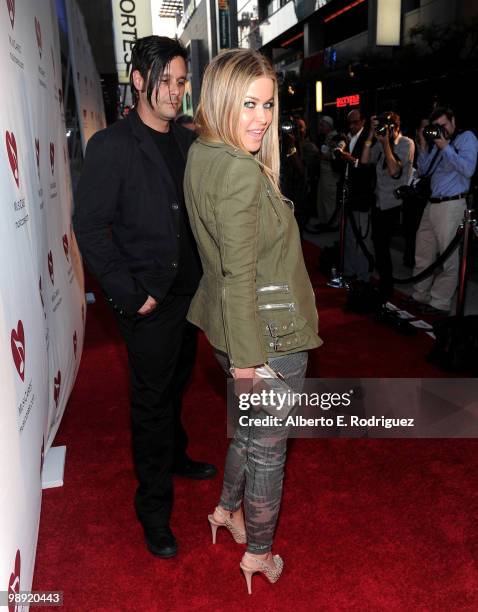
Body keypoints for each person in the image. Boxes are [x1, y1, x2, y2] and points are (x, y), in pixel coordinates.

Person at [183, 48, 322, 593]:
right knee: (268, 449)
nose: (262, 118)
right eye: (248, 103)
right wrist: (251, 363)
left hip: (227, 328)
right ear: (220, 99)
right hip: (265, 336)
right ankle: (258, 555)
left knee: (246, 432)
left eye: (267, 104)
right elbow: (240, 275)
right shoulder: (240, 170)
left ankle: (225, 512)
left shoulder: (202, 153)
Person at [73, 36, 216, 560]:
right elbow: (89, 228)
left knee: (177, 386)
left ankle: (176, 456)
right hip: (149, 305)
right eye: (166, 80)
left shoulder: (188, 142)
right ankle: (153, 510)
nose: (176, 90)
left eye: (182, 81)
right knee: (151, 406)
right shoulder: (110, 147)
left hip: (190, 297)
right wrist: (131, 296)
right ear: (138, 79)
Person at [410, 107, 478, 315]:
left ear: (453, 120)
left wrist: (445, 146)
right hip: (432, 204)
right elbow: (423, 170)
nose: (441, 130)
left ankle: (439, 302)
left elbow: (468, 169)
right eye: (436, 127)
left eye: (444, 125)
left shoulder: (466, 138)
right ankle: (419, 295)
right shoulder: (436, 144)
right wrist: (423, 144)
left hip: (452, 205)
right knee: (423, 254)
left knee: (449, 260)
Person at [361, 111, 415, 303]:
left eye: (388, 126)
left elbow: (394, 171)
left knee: (384, 246)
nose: (385, 130)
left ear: (396, 127)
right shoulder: (380, 140)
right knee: (378, 245)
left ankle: (387, 287)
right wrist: (370, 135)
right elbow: (365, 160)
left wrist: (385, 145)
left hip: (393, 203)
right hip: (378, 202)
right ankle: (385, 283)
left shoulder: (406, 143)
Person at [335, 109, 375, 283]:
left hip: (363, 195)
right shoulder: (346, 138)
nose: (352, 126)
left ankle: (363, 276)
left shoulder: (369, 138)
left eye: (355, 122)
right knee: (349, 237)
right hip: (348, 194)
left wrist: (350, 159)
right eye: (349, 122)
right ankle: (349, 271)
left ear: (363, 121)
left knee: (363, 238)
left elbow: (368, 167)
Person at [316, 115, 340, 228]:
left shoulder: (335, 137)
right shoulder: (326, 137)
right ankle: (325, 222)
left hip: (330, 174)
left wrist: (320, 155)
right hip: (324, 173)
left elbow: (335, 156)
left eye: (322, 125)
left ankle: (331, 224)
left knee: (329, 200)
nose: (320, 127)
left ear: (328, 126)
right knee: (322, 198)